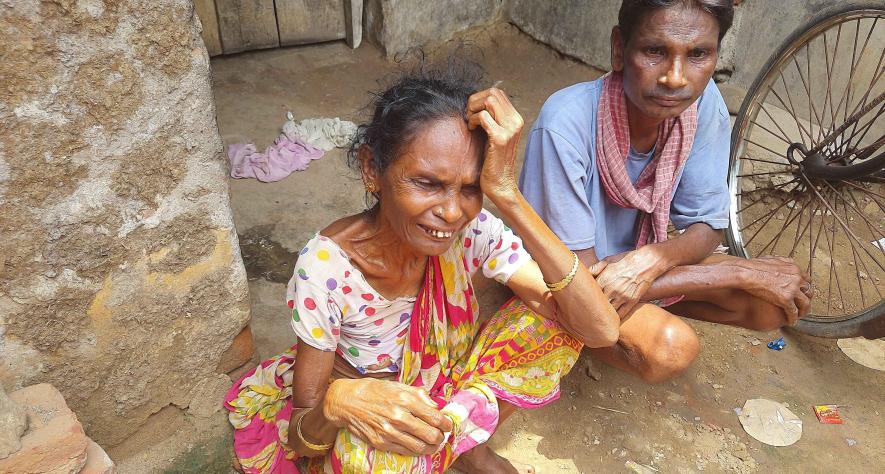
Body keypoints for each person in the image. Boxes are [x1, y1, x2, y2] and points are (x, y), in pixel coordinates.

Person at [224, 59, 621, 474]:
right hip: (373, 404)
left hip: (443, 385)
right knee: (374, 461)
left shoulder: (472, 229)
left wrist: (507, 195)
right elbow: (303, 437)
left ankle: (465, 447)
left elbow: (600, 329)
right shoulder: (325, 269)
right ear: (371, 169)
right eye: (427, 183)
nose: (451, 212)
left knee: (557, 321)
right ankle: (454, 443)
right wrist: (338, 401)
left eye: (470, 188)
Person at [519, 0, 814, 383]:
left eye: (698, 54)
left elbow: (707, 227)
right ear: (618, 50)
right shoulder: (565, 124)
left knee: (769, 306)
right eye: (655, 51)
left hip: (626, 268)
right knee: (671, 348)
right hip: (563, 283)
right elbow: (583, 281)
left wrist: (652, 261)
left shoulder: (701, 105)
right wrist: (739, 271)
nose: (675, 77)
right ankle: (575, 333)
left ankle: (630, 312)